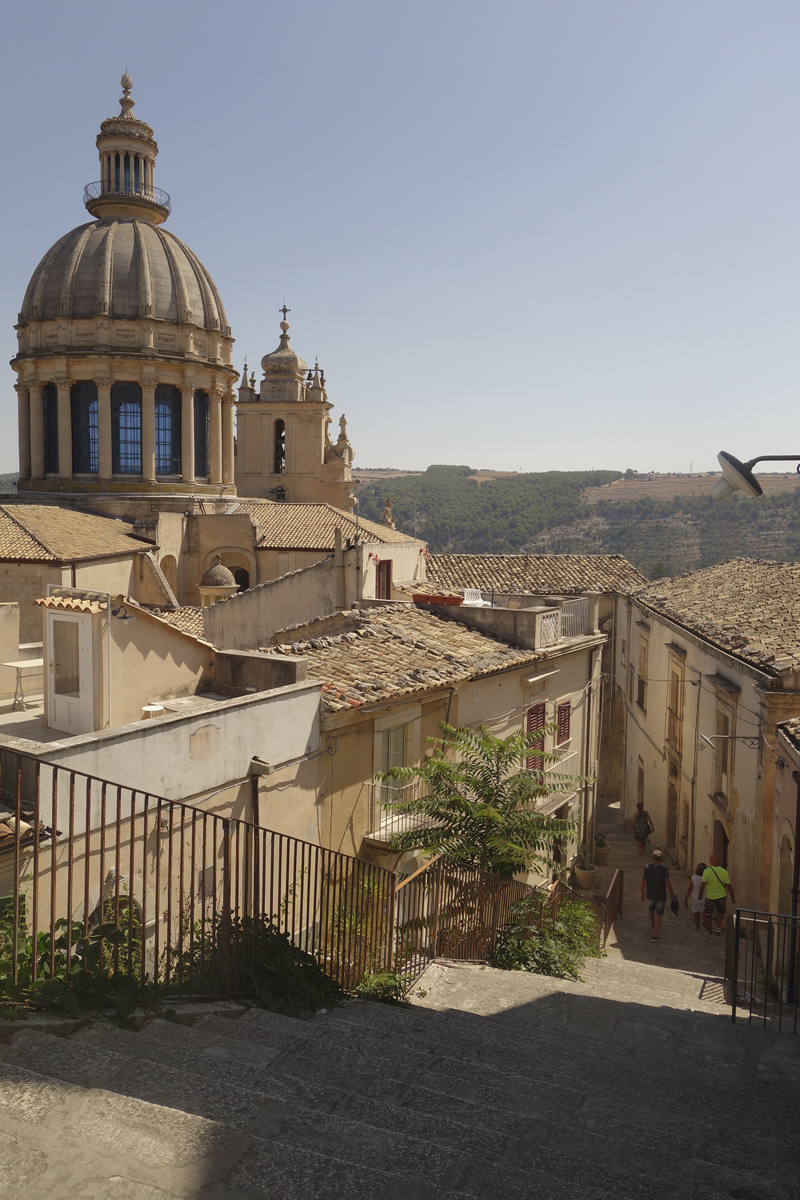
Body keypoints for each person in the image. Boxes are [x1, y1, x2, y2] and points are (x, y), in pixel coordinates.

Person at [640, 848, 675, 941]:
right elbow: (667, 884)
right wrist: (672, 894)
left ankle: (652, 923)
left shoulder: (647, 867)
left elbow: (643, 881)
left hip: (650, 893)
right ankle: (655, 935)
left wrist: (641, 892)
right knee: (659, 913)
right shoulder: (664, 870)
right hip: (660, 895)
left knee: (651, 909)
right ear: (661, 860)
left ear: (653, 858)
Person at [699, 854, 736, 935]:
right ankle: (718, 927)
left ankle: (710, 931)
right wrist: (732, 896)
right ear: (718, 861)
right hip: (722, 896)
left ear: (710, 861)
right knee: (721, 912)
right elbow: (728, 885)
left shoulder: (706, 871)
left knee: (708, 914)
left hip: (710, 897)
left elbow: (703, 884)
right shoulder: (724, 871)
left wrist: (700, 894)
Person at [684, 862, 707, 931]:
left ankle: (697, 927)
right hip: (704, 896)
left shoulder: (693, 877)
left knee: (696, 913)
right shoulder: (706, 878)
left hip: (695, 897)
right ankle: (704, 921)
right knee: (704, 912)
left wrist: (686, 898)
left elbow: (690, 888)